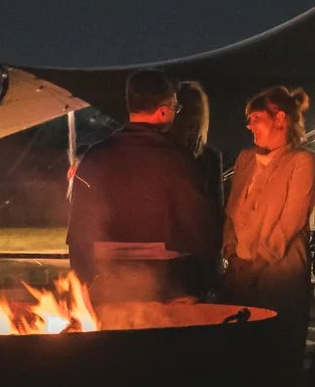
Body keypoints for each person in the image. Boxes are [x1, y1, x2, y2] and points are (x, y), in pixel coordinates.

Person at [224, 85, 315, 387]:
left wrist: (257, 261)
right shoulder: (246, 159)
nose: (249, 126)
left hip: (280, 279)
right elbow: (231, 212)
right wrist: (231, 253)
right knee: (247, 363)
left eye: (256, 118)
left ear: (281, 119)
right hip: (241, 275)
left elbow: (291, 221)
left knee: (279, 363)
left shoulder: (302, 162)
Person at [68, 70, 221, 298]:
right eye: (175, 108)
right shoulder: (179, 160)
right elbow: (201, 229)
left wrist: (83, 282)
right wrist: (206, 282)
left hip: (106, 285)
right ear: (164, 110)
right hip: (167, 288)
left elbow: (79, 231)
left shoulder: (95, 157)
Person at [169, 79, 226, 219]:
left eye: (195, 112)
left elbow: (216, 211)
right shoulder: (162, 152)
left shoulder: (210, 157)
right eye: (185, 111)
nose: (191, 119)